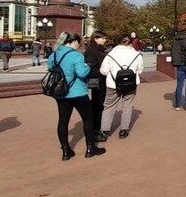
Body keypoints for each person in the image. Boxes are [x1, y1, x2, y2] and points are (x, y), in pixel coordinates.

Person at [48, 32, 105, 160]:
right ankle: (91, 148)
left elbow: (51, 69)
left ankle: (66, 150)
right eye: (78, 43)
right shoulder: (76, 55)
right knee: (88, 118)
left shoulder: (54, 55)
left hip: (61, 93)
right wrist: (87, 67)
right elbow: (82, 73)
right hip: (78, 91)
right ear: (73, 42)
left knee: (63, 121)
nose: (79, 45)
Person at [99, 35, 144, 139]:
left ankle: (104, 131)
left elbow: (104, 71)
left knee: (109, 106)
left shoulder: (110, 54)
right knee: (127, 106)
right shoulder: (137, 55)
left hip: (113, 84)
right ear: (130, 43)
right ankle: (124, 130)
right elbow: (140, 70)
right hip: (131, 84)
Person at [84, 31, 109, 141]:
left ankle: (97, 128)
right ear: (95, 39)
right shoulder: (92, 51)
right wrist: (103, 71)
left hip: (101, 81)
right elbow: (90, 69)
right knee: (97, 105)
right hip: (97, 82)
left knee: (99, 104)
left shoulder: (98, 49)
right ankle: (95, 130)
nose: (104, 40)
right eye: (102, 38)